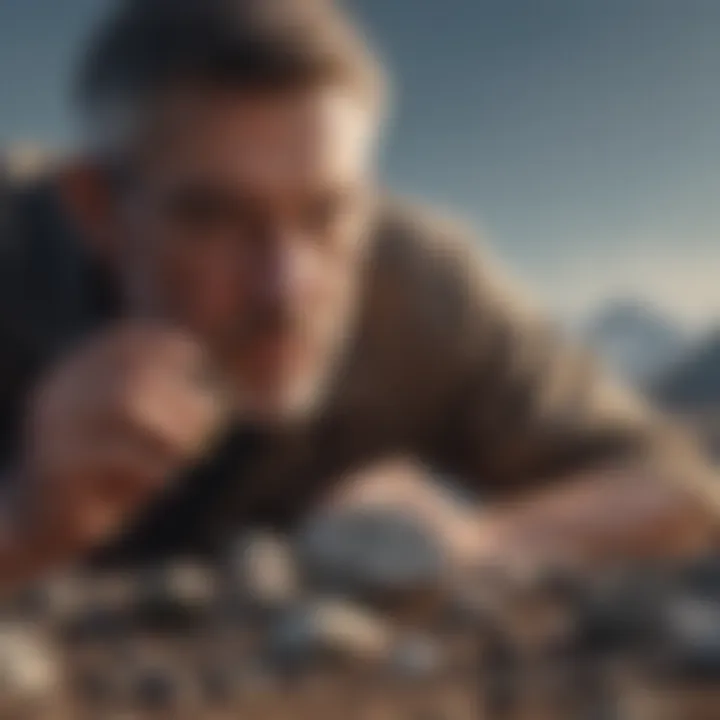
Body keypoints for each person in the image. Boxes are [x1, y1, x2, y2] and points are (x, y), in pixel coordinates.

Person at [0, 0, 718, 589]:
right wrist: (23, 525)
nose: (285, 287)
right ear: (96, 210)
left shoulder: (426, 288)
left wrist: (479, 543)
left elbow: (677, 486)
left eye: (326, 216)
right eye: (212, 216)